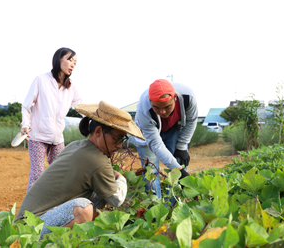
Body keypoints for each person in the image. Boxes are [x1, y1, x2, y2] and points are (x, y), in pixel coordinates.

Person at [16, 101, 145, 239]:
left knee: (102, 193)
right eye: (116, 138)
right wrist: (121, 178)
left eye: (123, 139)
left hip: (26, 224)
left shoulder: (77, 145)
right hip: (30, 231)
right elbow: (117, 199)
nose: (120, 145)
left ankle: (87, 238)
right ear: (99, 132)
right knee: (82, 208)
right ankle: (79, 241)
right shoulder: (97, 160)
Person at [21, 47, 84, 191]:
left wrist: (96, 121)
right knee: (37, 175)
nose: (73, 64)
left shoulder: (72, 87)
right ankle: (28, 212)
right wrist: (26, 124)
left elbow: (82, 108)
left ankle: (54, 209)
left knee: (60, 175)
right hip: (37, 137)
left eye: (75, 62)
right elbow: (26, 106)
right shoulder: (41, 80)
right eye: (70, 60)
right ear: (58, 59)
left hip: (57, 139)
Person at [129, 79, 198, 199]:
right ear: (150, 102)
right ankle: (155, 207)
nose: (162, 112)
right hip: (148, 134)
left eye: (167, 106)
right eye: (156, 107)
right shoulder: (143, 109)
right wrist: (180, 171)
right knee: (150, 171)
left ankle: (173, 206)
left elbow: (192, 120)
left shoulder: (188, 97)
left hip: (173, 127)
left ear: (175, 98)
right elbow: (156, 144)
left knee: (177, 164)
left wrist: (181, 146)